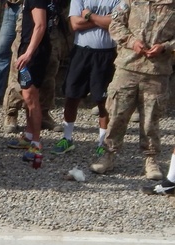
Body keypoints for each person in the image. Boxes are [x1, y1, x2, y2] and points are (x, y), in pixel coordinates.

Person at [90, 0, 175, 179]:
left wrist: (165, 47)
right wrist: (131, 41)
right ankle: (108, 155)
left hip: (157, 71)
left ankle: (150, 160)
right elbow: (116, 23)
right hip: (127, 66)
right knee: (117, 113)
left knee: (151, 119)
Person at [50, 0, 118, 156]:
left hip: (106, 55)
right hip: (81, 52)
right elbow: (75, 24)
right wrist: (101, 20)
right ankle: (67, 138)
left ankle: (102, 143)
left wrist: (89, 15)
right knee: (71, 96)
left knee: (103, 101)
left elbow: (114, 22)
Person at [12, 0, 58, 166]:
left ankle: (36, 144)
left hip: (34, 52)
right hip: (32, 48)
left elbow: (40, 25)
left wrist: (28, 53)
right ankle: (29, 134)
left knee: (31, 97)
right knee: (28, 94)